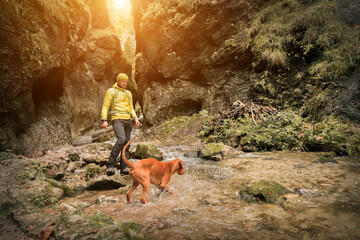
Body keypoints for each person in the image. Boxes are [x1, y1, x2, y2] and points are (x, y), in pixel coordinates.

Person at [101, 73, 140, 175]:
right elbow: (105, 106)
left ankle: (124, 167)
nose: (125, 83)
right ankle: (110, 165)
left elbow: (131, 107)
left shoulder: (128, 93)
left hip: (128, 120)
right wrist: (104, 120)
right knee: (121, 139)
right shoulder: (111, 91)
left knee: (127, 143)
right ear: (118, 81)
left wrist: (135, 118)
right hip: (117, 119)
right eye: (123, 81)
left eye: (126, 82)